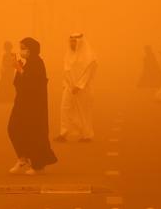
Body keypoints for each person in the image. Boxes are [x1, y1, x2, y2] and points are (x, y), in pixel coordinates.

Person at [8, 37, 57, 175]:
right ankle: (22, 158)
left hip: (34, 107)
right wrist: (19, 69)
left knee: (34, 134)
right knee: (13, 128)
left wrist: (21, 70)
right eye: (21, 47)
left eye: (24, 48)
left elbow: (34, 85)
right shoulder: (28, 63)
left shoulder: (38, 63)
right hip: (22, 103)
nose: (22, 51)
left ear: (31, 49)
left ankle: (38, 165)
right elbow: (19, 84)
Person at [54, 33, 98, 143]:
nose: (72, 43)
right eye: (71, 41)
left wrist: (79, 86)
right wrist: (66, 85)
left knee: (83, 111)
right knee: (64, 108)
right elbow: (66, 71)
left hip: (84, 89)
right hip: (69, 87)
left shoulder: (90, 56)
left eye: (74, 41)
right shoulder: (68, 55)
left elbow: (88, 73)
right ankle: (63, 133)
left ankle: (87, 135)